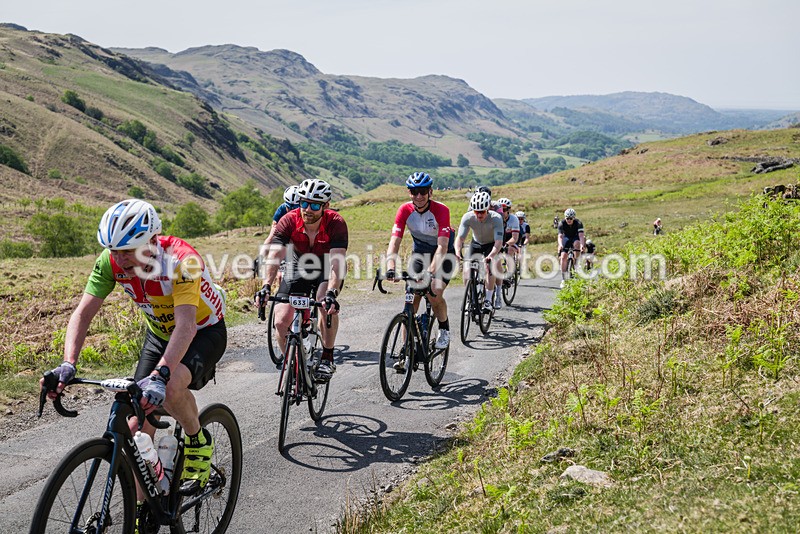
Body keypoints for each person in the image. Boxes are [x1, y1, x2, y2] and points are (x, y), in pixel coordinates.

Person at [42, 199, 226, 500]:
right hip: (159, 334)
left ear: (153, 240)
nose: (120, 258)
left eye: (128, 250)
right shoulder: (110, 262)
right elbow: (83, 314)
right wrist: (68, 363)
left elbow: (186, 327)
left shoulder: (182, 260)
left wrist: (161, 373)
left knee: (168, 387)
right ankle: (142, 511)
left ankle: (198, 440)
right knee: (135, 429)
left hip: (202, 332)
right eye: (114, 250)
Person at [255, 179, 347, 381]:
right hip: (299, 264)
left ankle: (327, 357)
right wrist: (266, 286)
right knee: (280, 320)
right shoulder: (288, 220)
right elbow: (275, 256)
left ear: (326, 206)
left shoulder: (336, 223)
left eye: (315, 205)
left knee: (325, 303)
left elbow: (337, 263)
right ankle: (295, 365)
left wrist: (332, 292)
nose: (308, 209)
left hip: (326, 264)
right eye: (304, 203)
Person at [385, 172, 455, 354]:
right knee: (411, 296)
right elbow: (395, 241)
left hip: (444, 253)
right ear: (409, 193)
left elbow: (442, 246)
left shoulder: (441, 210)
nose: (419, 196)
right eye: (414, 191)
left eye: (423, 191)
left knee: (434, 291)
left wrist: (430, 272)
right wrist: (390, 266)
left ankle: (444, 329)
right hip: (420, 253)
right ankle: (406, 348)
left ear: (430, 192)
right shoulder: (404, 210)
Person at [454, 191, 504, 312]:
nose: (479, 214)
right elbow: (460, 238)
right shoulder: (468, 217)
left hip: (491, 245)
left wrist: (491, 256)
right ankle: (469, 297)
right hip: (476, 244)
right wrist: (457, 252)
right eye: (476, 211)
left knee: (490, 267)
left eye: (482, 211)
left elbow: (498, 243)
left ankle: (488, 300)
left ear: (487, 209)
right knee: (467, 268)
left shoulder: (496, 218)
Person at [495, 197, 520, 309]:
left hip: (510, 240)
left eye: (505, 210)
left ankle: (509, 274)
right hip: (498, 239)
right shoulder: (496, 218)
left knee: (509, 250)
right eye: (501, 209)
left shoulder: (513, 219)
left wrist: (505, 244)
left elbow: (515, 238)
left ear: (508, 210)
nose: (503, 212)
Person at [557, 208, 586, 288]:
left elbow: (581, 235)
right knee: (563, 257)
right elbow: (560, 236)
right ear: (565, 218)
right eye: (567, 218)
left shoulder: (578, 223)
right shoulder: (561, 223)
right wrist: (560, 245)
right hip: (566, 237)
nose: (569, 220)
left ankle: (576, 263)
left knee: (577, 244)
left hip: (575, 237)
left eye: (571, 218)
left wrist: (582, 245)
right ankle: (563, 279)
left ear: (574, 218)